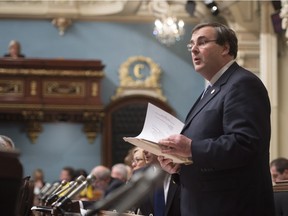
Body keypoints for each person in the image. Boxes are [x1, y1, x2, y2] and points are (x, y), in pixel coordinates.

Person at [157, 22, 275, 216]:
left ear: (225, 48)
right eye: (191, 44)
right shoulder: (211, 90)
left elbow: (245, 144)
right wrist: (180, 163)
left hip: (231, 207)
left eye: (202, 42)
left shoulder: (242, 84)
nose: (194, 49)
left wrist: (191, 149)